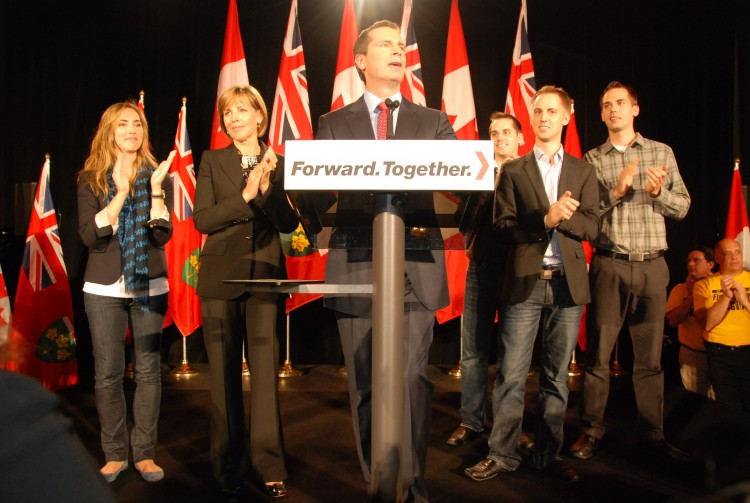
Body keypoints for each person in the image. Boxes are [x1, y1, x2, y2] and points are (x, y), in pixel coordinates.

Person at [314, 20, 456, 502]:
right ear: (360, 61)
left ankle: (412, 489)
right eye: (384, 45)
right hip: (356, 267)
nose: (397, 50)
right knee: (367, 388)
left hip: (415, 267)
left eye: (401, 45)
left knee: (413, 381)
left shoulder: (433, 121)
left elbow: (459, 186)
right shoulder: (333, 124)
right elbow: (316, 195)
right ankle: (380, 487)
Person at [463, 86, 599, 484]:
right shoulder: (515, 170)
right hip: (525, 283)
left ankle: (547, 454)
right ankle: (502, 453)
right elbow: (502, 227)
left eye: (551, 111)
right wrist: (545, 220)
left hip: (568, 287)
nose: (543, 117)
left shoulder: (583, 170)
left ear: (565, 117)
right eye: (537, 110)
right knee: (511, 374)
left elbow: (593, 225)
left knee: (557, 377)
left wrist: (564, 219)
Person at [571, 81, 691, 461]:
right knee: (599, 356)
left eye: (621, 103)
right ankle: (590, 430)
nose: (614, 110)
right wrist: (615, 194)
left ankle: (652, 434)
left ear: (635, 109)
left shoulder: (661, 152)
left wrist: (660, 195)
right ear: (602, 113)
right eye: (607, 105)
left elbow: (683, 206)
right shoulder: (590, 159)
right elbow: (585, 216)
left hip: (653, 266)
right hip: (610, 264)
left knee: (650, 359)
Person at [194, 85, 299, 501]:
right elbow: (203, 220)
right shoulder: (212, 160)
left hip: (265, 277)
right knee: (221, 380)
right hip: (220, 278)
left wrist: (269, 186)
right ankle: (226, 468)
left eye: (242, 110)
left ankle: (270, 468)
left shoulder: (281, 161)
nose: (234, 118)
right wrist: (245, 195)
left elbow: (289, 224)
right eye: (228, 113)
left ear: (260, 116)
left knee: (266, 380)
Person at [77, 101, 175, 483]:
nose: (131, 130)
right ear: (109, 132)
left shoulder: (156, 174)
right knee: (108, 375)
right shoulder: (90, 178)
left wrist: (155, 192)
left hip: (149, 284)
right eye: (123, 125)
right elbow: (91, 236)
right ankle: (115, 454)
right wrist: (118, 194)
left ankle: (145, 454)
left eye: (137, 124)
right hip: (103, 287)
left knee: (149, 372)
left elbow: (161, 234)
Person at [447, 112, 533, 449]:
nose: (499, 138)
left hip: (519, 272)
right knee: (473, 352)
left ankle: (510, 427)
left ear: (520, 138)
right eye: (494, 132)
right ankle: (471, 420)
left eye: (507, 132)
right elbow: (462, 222)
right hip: (481, 268)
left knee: (513, 358)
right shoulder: (477, 174)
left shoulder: (532, 173)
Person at [694, 239, 750, 412]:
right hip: (720, 354)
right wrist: (725, 297)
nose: (734, 257)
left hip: (748, 350)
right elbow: (707, 323)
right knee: (730, 409)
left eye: (737, 252)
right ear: (717, 258)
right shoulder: (704, 285)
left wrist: (744, 301)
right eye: (727, 253)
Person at [665, 246, 716, 396]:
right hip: (692, 355)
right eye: (689, 261)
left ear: (711, 264)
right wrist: (693, 294)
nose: (691, 264)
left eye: (696, 260)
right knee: (695, 400)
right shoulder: (679, 290)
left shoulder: (719, 286)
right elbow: (673, 321)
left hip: (718, 355)